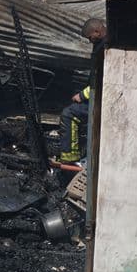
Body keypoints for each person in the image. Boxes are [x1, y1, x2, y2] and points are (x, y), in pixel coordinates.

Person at [58, 18, 107, 164]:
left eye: (90, 37)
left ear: (97, 32)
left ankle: (70, 158)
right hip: (99, 96)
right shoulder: (102, 45)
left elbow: (101, 79)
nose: (90, 41)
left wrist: (82, 95)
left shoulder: (105, 49)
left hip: (101, 99)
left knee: (69, 114)